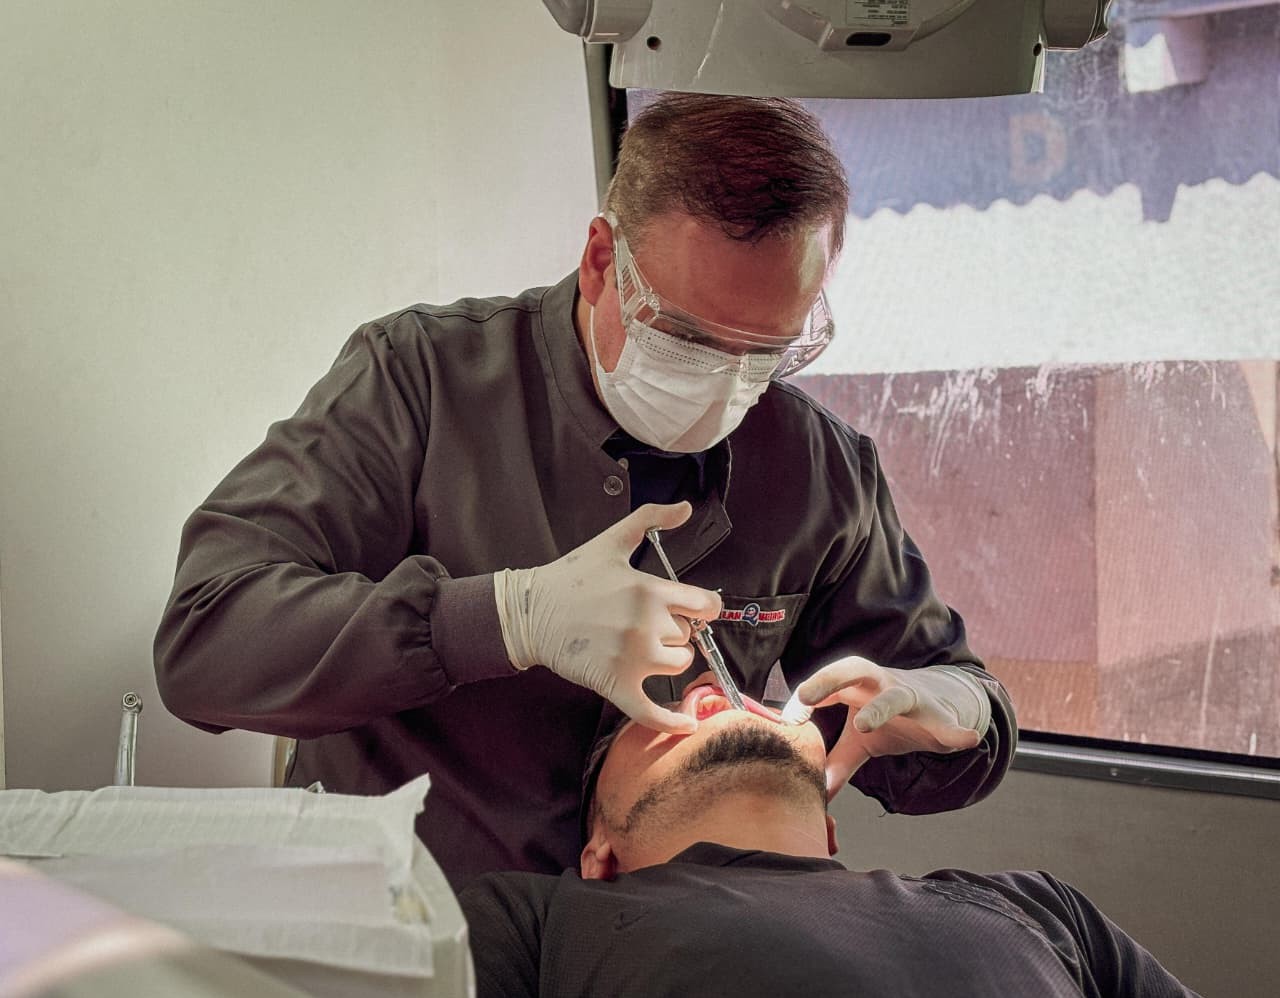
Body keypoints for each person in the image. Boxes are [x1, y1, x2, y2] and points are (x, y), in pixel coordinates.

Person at [153, 93, 1015, 891]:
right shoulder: (421, 380)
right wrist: (501, 619)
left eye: (766, 352)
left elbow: (931, 717)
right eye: (687, 337)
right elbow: (206, 641)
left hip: (667, 949)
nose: (725, 385)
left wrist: (967, 715)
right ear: (603, 261)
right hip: (416, 919)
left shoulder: (819, 470)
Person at [458, 678, 1198, 998]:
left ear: (830, 831)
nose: (707, 692)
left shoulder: (1039, 906)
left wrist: (975, 693)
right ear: (599, 857)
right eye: (651, 718)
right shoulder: (534, 925)